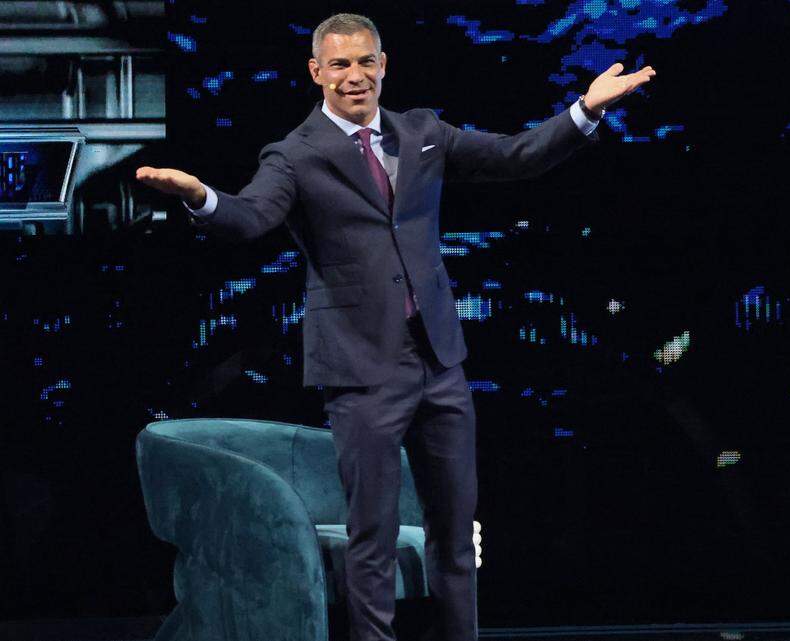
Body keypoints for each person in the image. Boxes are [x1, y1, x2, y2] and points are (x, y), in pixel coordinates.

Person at [136, 13, 655, 641]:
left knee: (456, 536)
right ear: (316, 73)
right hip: (361, 368)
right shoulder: (295, 155)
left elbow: (515, 157)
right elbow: (249, 218)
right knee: (372, 538)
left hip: (439, 362)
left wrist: (585, 111)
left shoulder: (422, 133)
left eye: (365, 62)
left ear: (383, 64)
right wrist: (200, 197)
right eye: (339, 65)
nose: (354, 77)